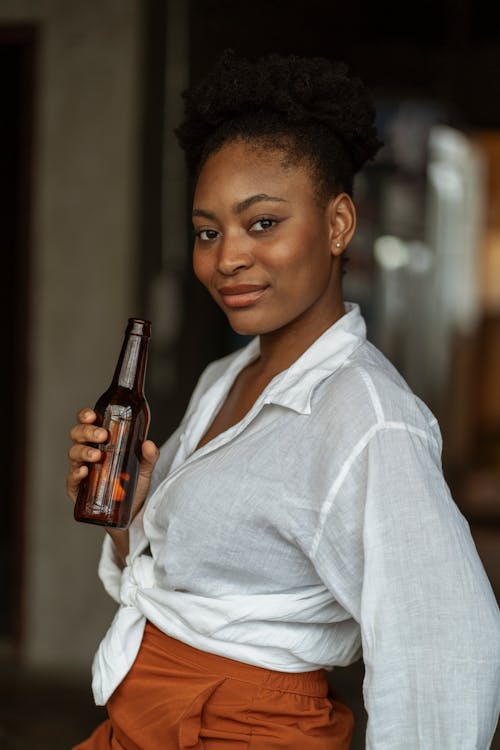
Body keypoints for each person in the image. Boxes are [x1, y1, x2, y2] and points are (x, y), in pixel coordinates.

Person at [67, 50, 500, 749]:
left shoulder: (369, 420)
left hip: (242, 731)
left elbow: (443, 655)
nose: (227, 257)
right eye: (209, 232)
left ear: (337, 224)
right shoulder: (227, 377)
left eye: (262, 223)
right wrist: (135, 509)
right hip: (142, 718)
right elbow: (187, 581)